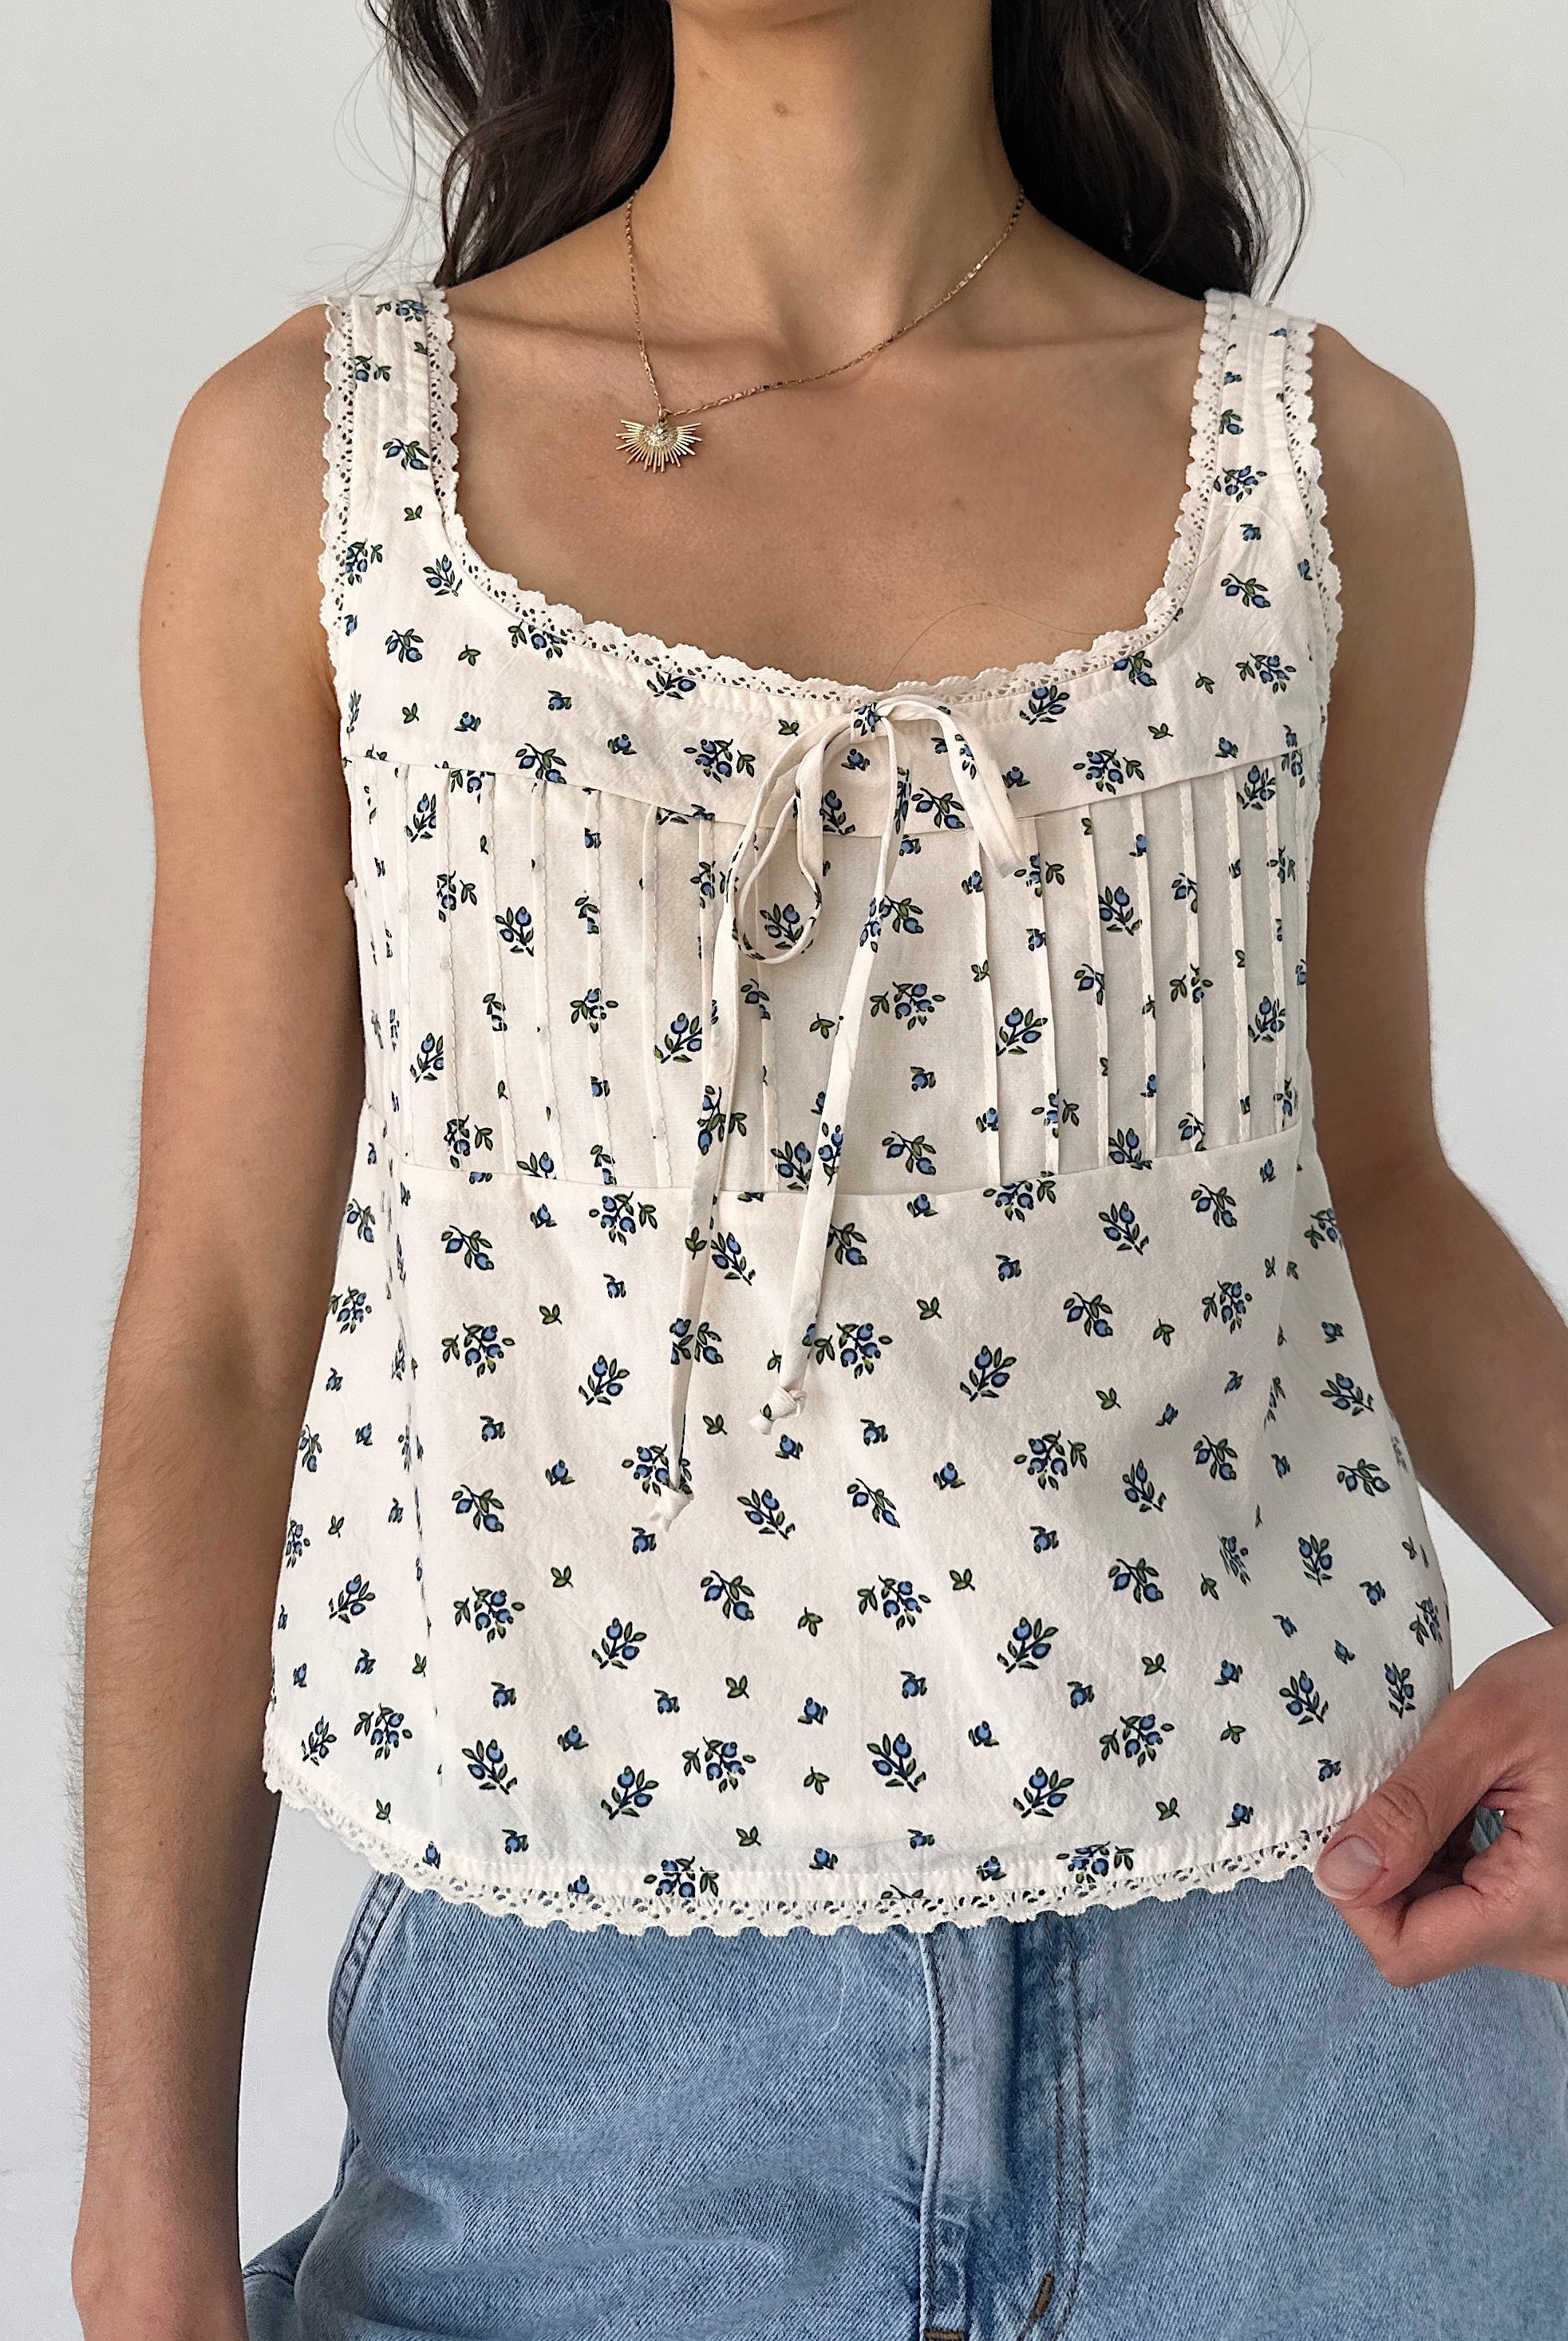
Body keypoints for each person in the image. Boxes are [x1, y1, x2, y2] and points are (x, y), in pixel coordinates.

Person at [72, 4, 1568, 2337]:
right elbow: (218, 1334)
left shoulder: (1320, 467)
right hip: (585, 2081)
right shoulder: (325, 466)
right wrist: (145, 2193)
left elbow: (1373, 1183)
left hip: (1310, 2044)